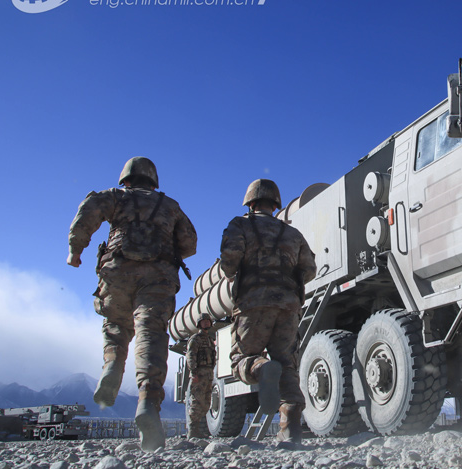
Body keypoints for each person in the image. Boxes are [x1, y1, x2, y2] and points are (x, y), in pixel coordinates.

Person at [67, 156, 197, 451]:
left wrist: (75, 250)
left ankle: (112, 365)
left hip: (118, 271)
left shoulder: (115, 197)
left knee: (116, 324)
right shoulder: (170, 206)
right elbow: (190, 243)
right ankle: (148, 401)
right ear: (154, 181)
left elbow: (87, 213)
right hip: (158, 277)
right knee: (151, 334)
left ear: (125, 179)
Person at [219, 178, 316, 445]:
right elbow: (309, 270)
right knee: (287, 365)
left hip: (253, 304)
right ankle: (291, 430)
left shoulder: (239, 225)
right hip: (288, 307)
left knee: (242, 359)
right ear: (275, 204)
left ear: (250, 203)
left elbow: (228, 263)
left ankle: (262, 369)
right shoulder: (293, 234)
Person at [186, 313, 216, 439]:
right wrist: (193, 373)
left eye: (208, 321)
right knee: (196, 401)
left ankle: (198, 429)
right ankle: (192, 430)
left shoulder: (210, 339)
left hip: (208, 374)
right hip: (199, 374)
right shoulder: (195, 339)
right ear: (199, 324)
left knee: (206, 402)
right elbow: (190, 356)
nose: (206, 323)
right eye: (203, 321)